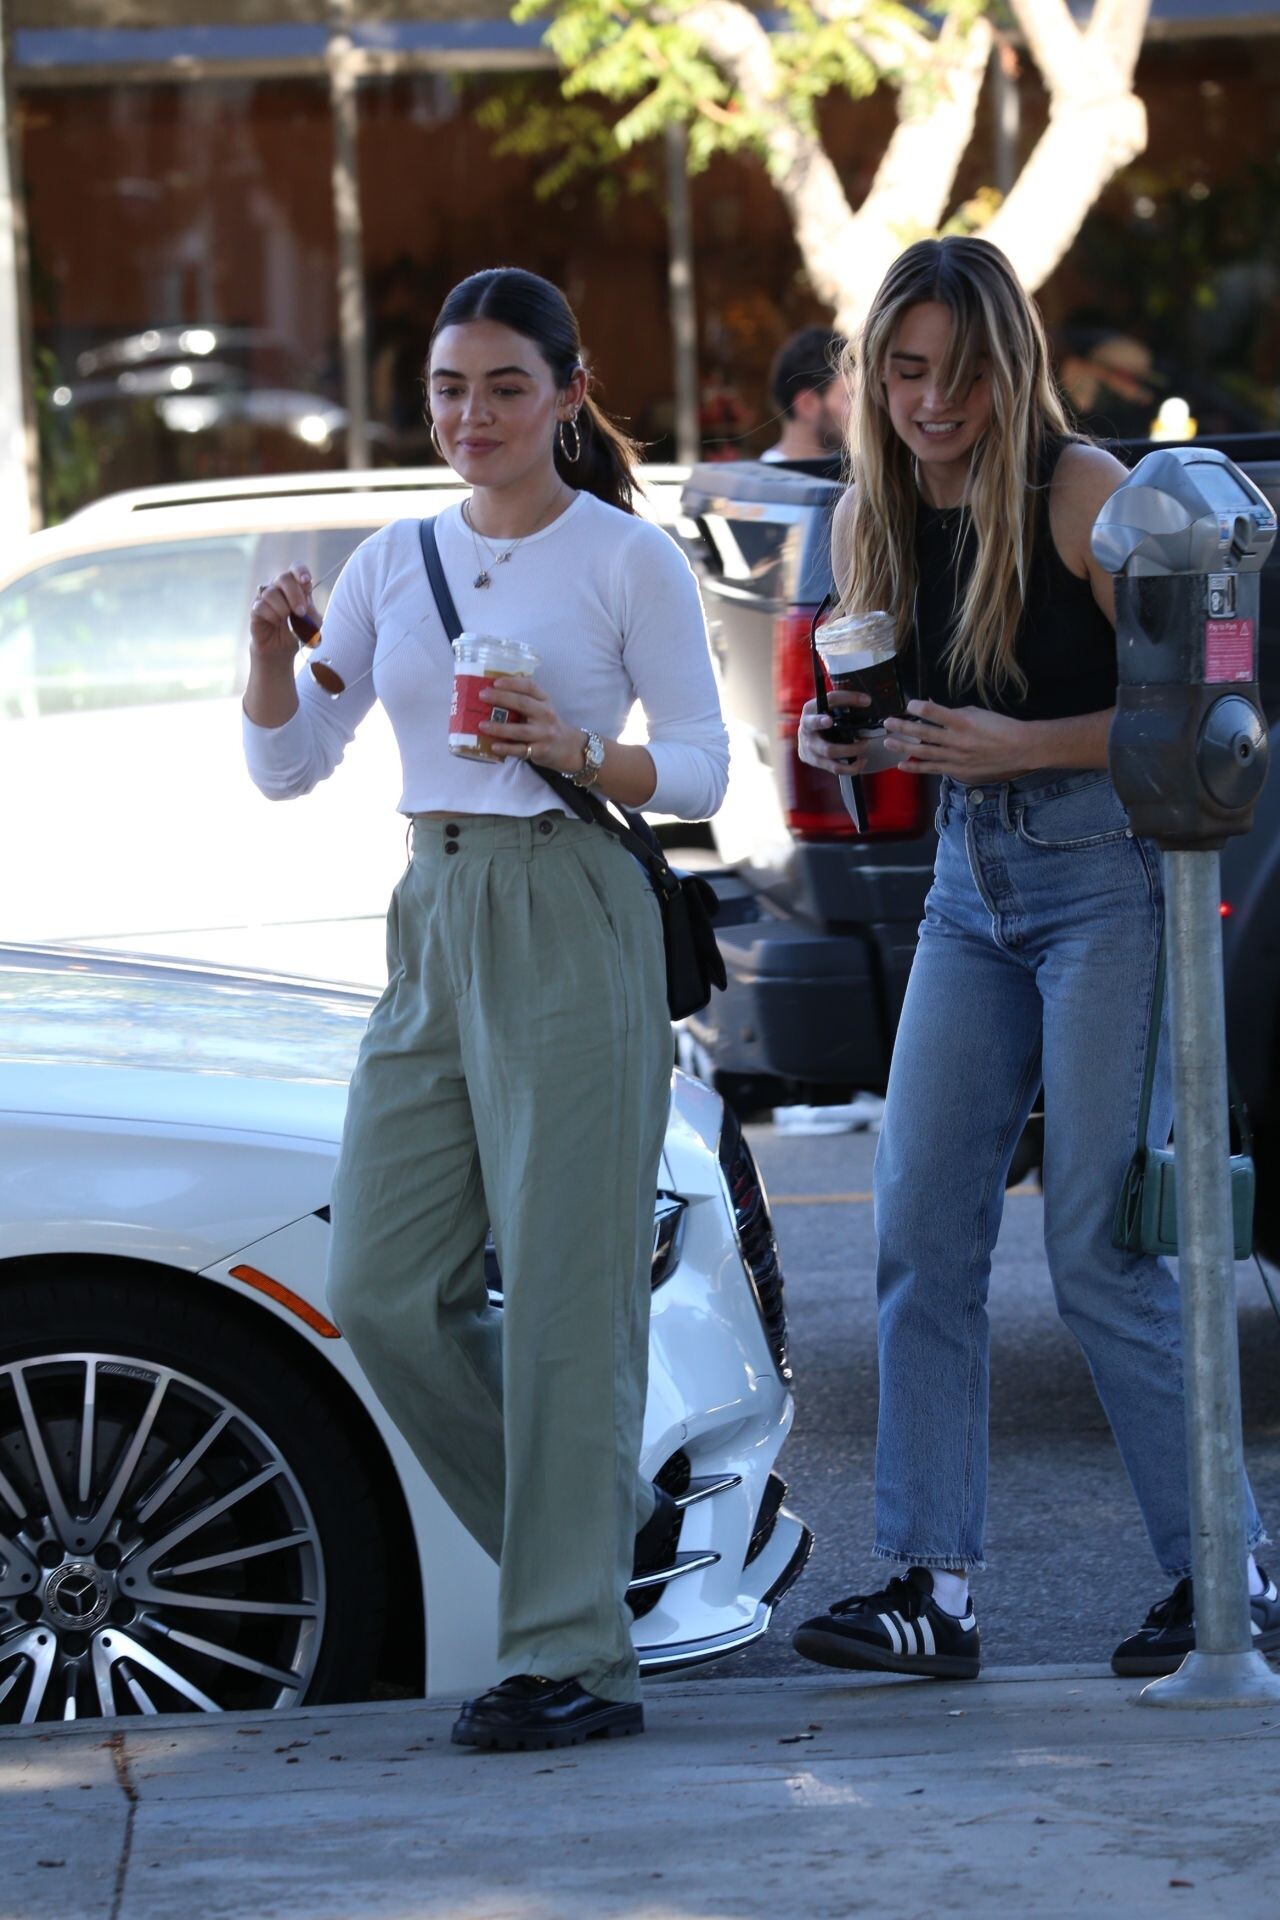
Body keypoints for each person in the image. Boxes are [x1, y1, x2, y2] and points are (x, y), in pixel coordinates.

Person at [243, 266, 729, 1750]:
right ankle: (602, 1519)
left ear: (567, 397)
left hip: (569, 905)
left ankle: (573, 1655)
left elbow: (701, 767)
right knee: (386, 1288)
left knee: (571, 1295)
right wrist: (268, 660)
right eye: (450, 389)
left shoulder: (626, 558)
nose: (472, 415)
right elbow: (288, 766)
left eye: (506, 387)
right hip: (432, 909)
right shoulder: (394, 557)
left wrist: (574, 746)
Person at [789, 236, 1277, 1681]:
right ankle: (930, 1589)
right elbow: (890, 705)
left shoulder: (1082, 495)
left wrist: (1025, 744)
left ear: (1015, 368)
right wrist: (841, 734)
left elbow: (1215, 706)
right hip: (967, 884)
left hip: (1108, 876)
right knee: (919, 1231)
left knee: (1098, 1250)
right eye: (904, 370)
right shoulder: (869, 513)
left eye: (963, 372)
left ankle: (1227, 1578)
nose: (932, 401)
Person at [761, 325, 850, 462]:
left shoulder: (852, 471)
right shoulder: (761, 476)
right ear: (807, 404)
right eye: (849, 398)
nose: (862, 411)